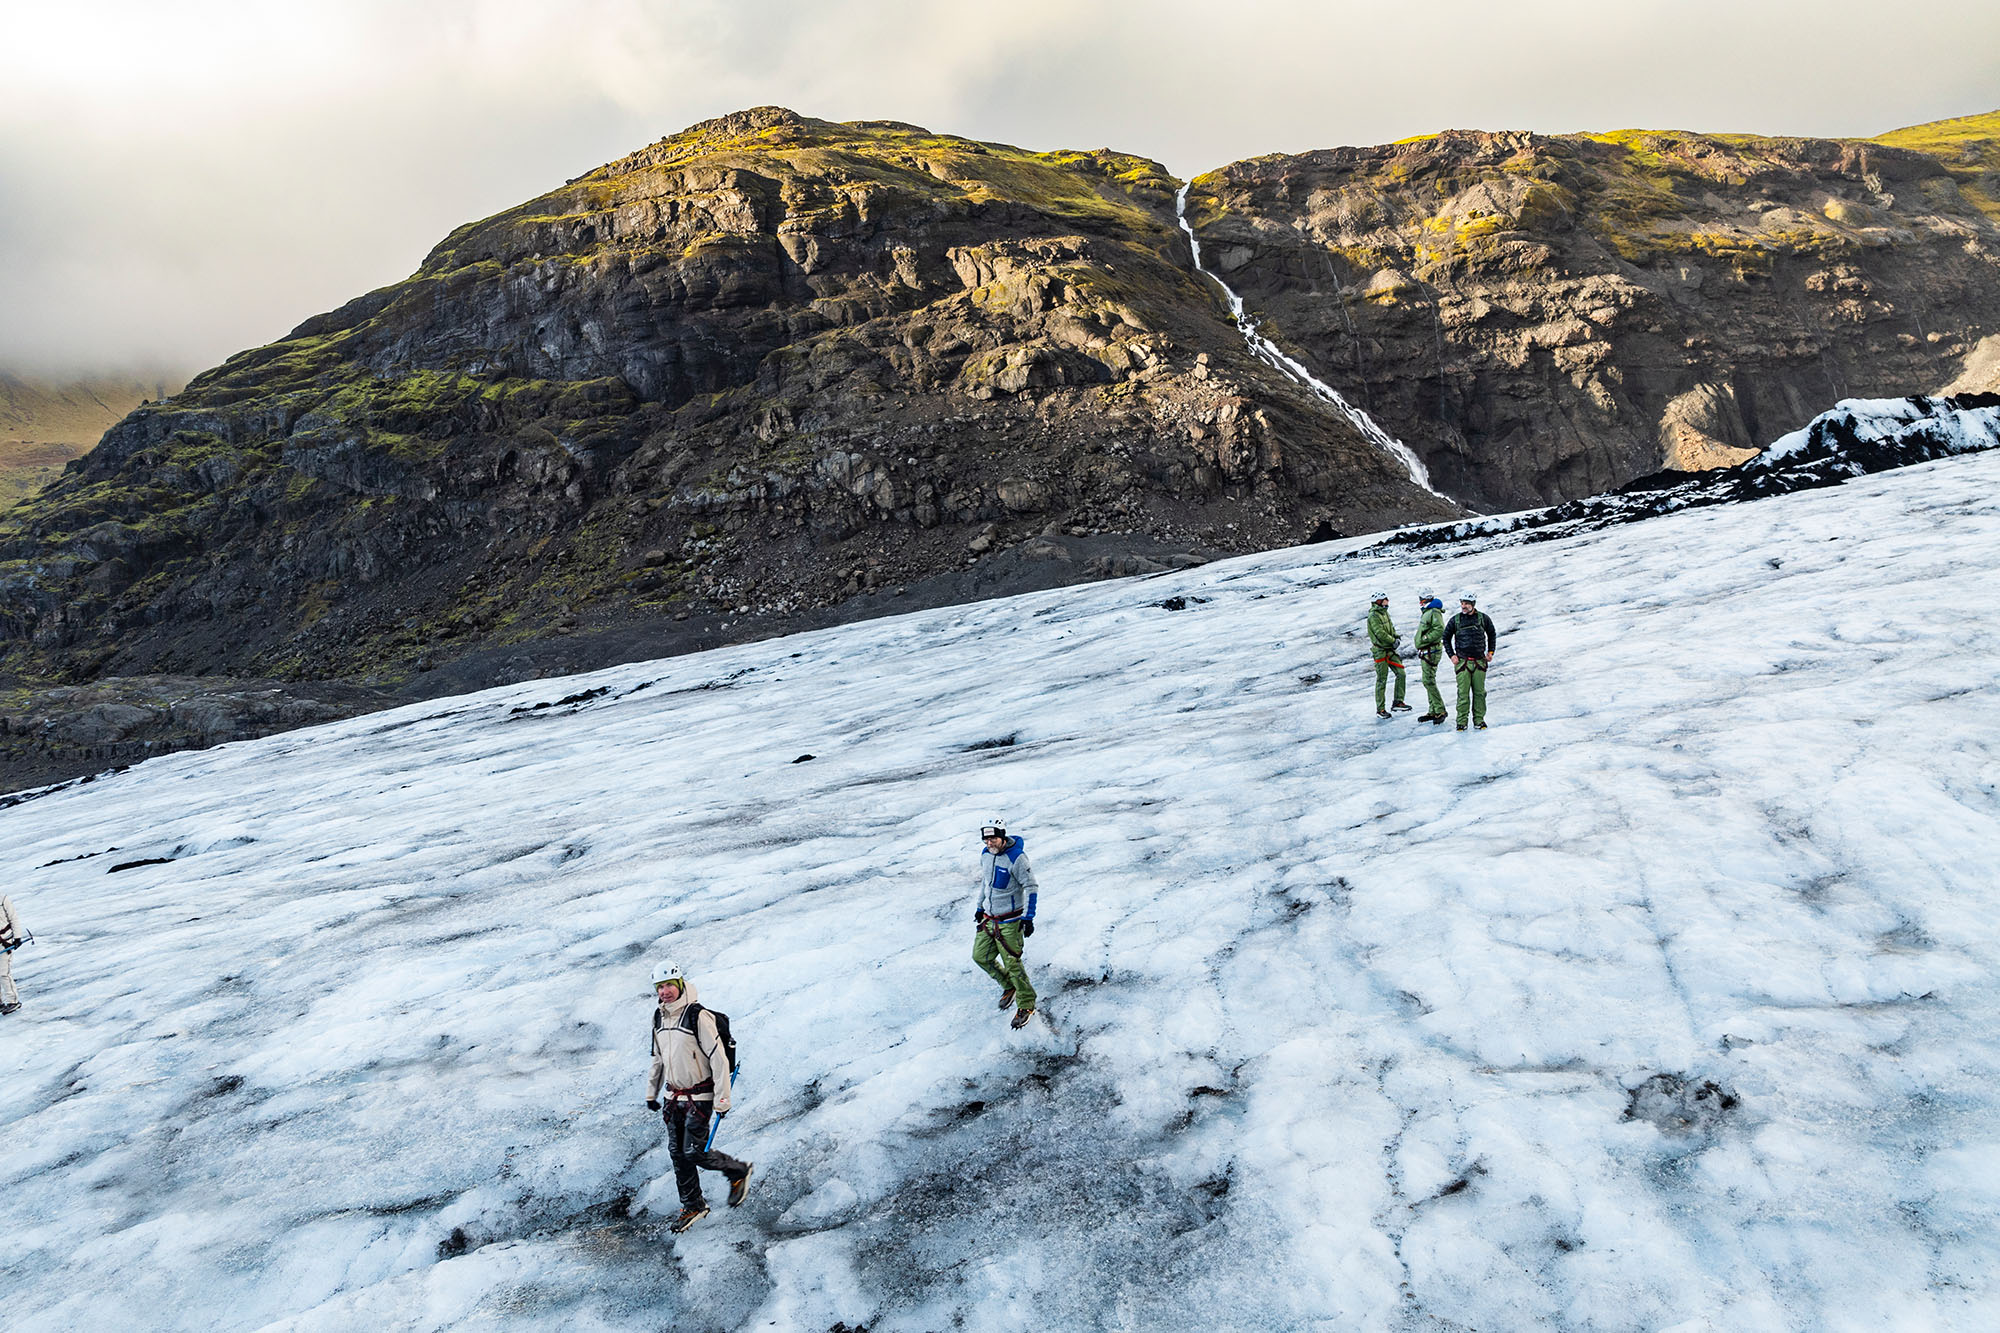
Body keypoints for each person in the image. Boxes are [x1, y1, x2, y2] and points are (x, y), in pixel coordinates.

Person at [645, 961, 752, 1233]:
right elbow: (658, 1059)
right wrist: (652, 1092)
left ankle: (737, 1170)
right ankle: (693, 1205)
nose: (665, 991)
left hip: (700, 1096)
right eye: (660, 987)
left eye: (670, 985)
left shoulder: (697, 1016)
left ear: (680, 984)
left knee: (694, 1151)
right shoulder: (659, 1018)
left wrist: (723, 1098)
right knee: (678, 1155)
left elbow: (718, 1058)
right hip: (673, 1098)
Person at [973, 817, 1041, 1029]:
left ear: (1002, 836)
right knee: (980, 956)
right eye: (986, 840)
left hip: (1010, 921)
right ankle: (1009, 986)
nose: (989, 843)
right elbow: (985, 882)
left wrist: (1028, 918)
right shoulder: (986, 855)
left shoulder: (1017, 858)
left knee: (1012, 963)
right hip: (989, 918)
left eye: (992, 839)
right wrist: (979, 907)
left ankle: (1026, 1004)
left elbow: (1031, 886)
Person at [1445, 592, 1499, 730]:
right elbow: (1446, 638)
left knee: (1480, 693)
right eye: (1462, 603)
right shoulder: (1455, 620)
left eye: (1466, 604)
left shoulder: (1483, 618)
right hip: (1462, 663)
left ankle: (1479, 720)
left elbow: (1492, 634)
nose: (1463, 606)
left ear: (1473, 604)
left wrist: (1491, 652)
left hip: (1479, 662)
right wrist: (1451, 655)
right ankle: (1461, 722)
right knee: (1463, 694)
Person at [1367, 592, 1410, 718]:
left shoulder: (1385, 613)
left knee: (1401, 673)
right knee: (1382, 679)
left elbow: (1390, 628)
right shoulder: (1373, 616)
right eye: (1384, 600)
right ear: (1378, 601)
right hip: (1380, 651)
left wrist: (1395, 637)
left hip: (1389, 650)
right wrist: (1393, 641)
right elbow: (1380, 633)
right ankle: (1380, 709)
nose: (1386, 602)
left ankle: (1398, 701)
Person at [1413, 590, 1447, 724]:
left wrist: (1425, 638)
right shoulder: (1429, 612)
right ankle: (1433, 710)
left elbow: (1439, 629)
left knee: (1428, 680)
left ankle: (1440, 710)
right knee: (1428, 679)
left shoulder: (1434, 612)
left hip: (1431, 651)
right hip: (1427, 650)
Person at [0, 894, 24, 1014]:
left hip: (5, 942)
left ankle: (13, 1001)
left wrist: (17, 936)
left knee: (4, 972)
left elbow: (13, 918)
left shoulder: (3, 898)